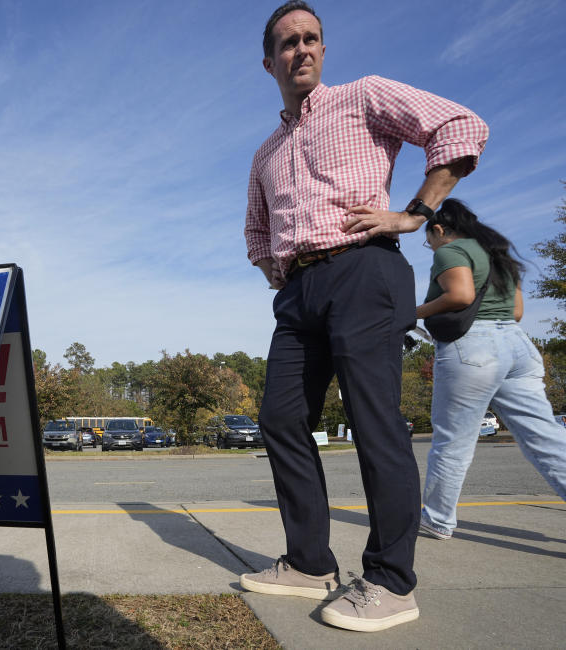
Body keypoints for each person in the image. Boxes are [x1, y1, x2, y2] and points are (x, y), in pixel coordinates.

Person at [236, 1, 488, 633]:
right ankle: (309, 562)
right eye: (288, 44)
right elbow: (256, 230)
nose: (302, 50)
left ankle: (391, 581)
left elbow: (460, 125)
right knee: (281, 418)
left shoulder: (363, 98)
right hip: (298, 292)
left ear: (323, 49)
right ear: (269, 62)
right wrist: (274, 266)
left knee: (374, 421)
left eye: (312, 39)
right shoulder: (265, 152)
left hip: (364, 270)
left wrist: (416, 213)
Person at [416, 199, 566, 539]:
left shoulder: (451, 250)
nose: (432, 247)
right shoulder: (499, 254)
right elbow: (516, 312)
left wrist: (414, 312)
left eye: (430, 240)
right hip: (517, 347)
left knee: (453, 441)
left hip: (474, 349)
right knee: (545, 436)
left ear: (440, 229)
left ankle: (438, 519)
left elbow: (462, 295)